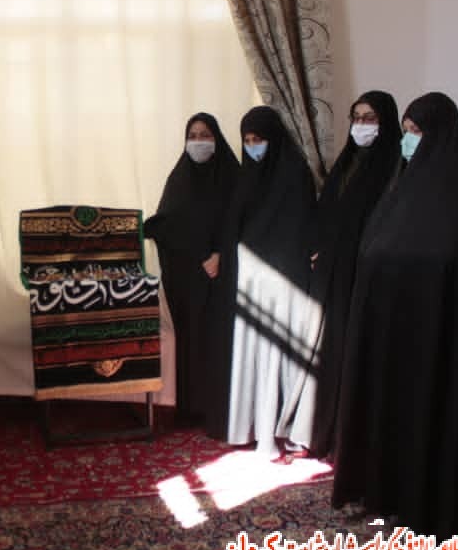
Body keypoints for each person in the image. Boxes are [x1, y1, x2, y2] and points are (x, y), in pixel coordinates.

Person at [331, 92, 458, 540]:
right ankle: (386, 492)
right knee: (391, 413)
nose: (407, 139)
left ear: (440, 134)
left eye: (416, 131)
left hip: (436, 329)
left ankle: (426, 502)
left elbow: (450, 257)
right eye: (405, 130)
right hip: (393, 326)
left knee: (428, 413)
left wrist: (397, 264)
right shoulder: (403, 185)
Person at [204, 105, 316, 460]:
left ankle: (283, 428)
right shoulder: (247, 176)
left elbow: (302, 228)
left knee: (278, 355)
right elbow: (234, 224)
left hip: (285, 281)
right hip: (250, 279)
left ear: (274, 138)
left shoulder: (295, 173)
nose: (252, 146)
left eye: (258, 139)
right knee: (252, 354)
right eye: (247, 140)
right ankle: (250, 426)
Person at [300, 91, 402, 460]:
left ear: (385, 122)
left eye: (370, 118)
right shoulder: (346, 163)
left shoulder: (395, 168)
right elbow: (327, 211)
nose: (361, 125)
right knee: (330, 351)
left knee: (356, 354)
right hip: (334, 273)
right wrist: (318, 247)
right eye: (356, 118)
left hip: (365, 276)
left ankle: (350, 440)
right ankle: (325, 433)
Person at [144, 113, 241, 426]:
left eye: (205, 135)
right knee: (190, 341)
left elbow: (240, 221)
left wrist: (220, 254)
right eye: (193, 136)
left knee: (218, 340)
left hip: (222, 275)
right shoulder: (179, 177)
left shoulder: (232, 176)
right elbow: (169, 222)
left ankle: (220, 409)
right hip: (186, 277)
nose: (198, 142)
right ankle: (190, 408)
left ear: (217, 139)